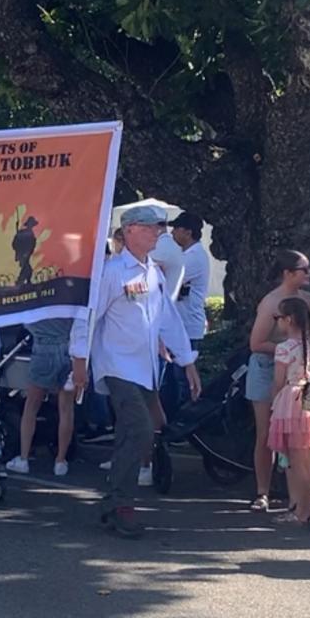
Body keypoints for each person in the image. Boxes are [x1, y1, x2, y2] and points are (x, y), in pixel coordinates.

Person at [70, 205, 201, 539]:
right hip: (117, 366)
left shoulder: (152, 273)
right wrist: (79, 363)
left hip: (144, 368)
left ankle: (113, 502)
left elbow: (167, 319)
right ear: (128, 230)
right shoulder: (113, 272)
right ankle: (123, 503)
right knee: (141, 431)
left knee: (134, 433)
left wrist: (187, 361)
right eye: (150, 227)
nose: (158, 233)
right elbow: (87, 318)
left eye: (159, 227)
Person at [245, 249, 310, 514]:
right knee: (266, 434)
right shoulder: (271, 303)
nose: (309, 274)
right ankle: (262, 491)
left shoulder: (309, 300)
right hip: (268, 370)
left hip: (300, 376)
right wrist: (288, 350)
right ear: (287, 273)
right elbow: (256, 343)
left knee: (302, 436)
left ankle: (300, 494)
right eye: (303, 270)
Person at [267, 297, 310, 524]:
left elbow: (278, 381)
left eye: (278, 318)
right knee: (307, 460)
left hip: (290, 400)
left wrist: (273, 402)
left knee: (296, 461)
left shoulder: (284, 348)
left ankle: (303, 510)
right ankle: (307, 507)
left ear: (288, 320)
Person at [6, 318, 76, 477]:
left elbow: (26, 321)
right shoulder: (71, 294)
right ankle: (60, 460)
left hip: (43, 348)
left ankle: (23, 458)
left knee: (31, 407)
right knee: (66, 409)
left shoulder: (40, 295)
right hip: (68, 347)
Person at [162, 212, 211, 419]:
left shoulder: (194, 256)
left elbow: (169, 278)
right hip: (179, 323)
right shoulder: (186, 255)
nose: (173, 233)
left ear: (188, 233)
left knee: (184, 378)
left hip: (188, 324)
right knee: (173, 379)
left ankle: (186, 422)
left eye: (177, 229)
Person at [12, 216, 38, 286]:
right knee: (27, 268)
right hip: (22, 253)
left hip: (27, 253)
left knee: (26, 268)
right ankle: (22, 281)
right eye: (30, 223)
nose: (31, 225)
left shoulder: (30, 233)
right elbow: (15, 242)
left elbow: (32, 244)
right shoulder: (23, 232)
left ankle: (21, 281)